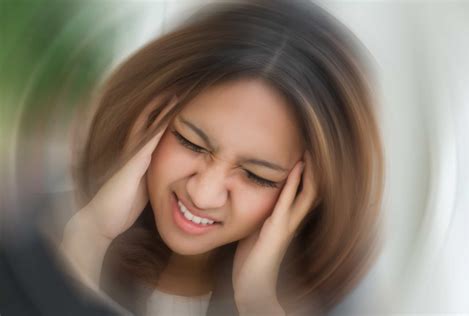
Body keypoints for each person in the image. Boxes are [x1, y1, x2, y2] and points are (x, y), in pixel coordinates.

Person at [60, 1, 384, 315]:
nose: (204, 193)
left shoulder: (341, 303)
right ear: (149, 117)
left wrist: (256, 300)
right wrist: (89, 236)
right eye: (191, 143)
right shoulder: (41, 216)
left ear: (307, 194)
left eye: (258, 176)